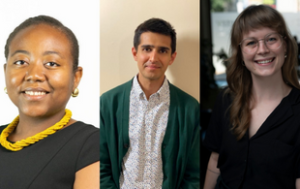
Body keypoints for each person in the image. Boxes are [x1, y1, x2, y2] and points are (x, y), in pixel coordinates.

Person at [204, 5, 300, 189]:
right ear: (240, 53)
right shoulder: (225, 100)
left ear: (285, 45)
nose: (262, 49)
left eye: (271, 39)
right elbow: (215, 162)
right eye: (251, 43)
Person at [0, 15, 99, 189]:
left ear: (75, 77)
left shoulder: (93, 145)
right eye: (21, 62)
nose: (34, 75)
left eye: (52, 63)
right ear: (6, 71)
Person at [100, 18, 200, 188]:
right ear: (135, 53)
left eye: (162, 50)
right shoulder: (108, 103)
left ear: (172, 57)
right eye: (147, 49)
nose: (153, 58)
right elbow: (99, 166)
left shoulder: (189, 108)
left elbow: (193, 173)